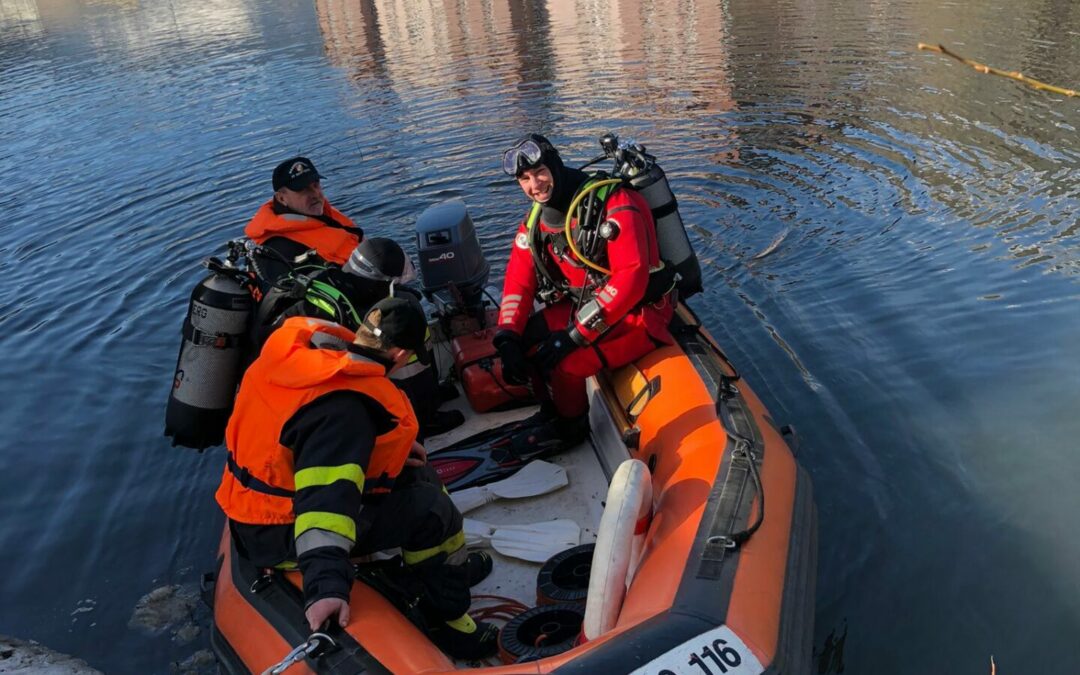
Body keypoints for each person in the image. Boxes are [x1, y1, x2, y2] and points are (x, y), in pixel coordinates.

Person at [214, 296, 498, 659]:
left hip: (262, 505)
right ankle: (449, 620)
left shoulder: (303, 361)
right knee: (431, 512)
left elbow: (299, 444)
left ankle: (441, 575)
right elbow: (324, 503)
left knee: (420, 475)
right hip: (279, 529)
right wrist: (325, 586)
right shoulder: (344, 410)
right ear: (399, 355)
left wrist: (388, 452)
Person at [493, 134, 676, 448]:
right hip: (589, 304)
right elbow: (518, 284)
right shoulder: (537, 219)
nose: (534, 185)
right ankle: (551, 410)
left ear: (555, 166)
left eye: (539, 172)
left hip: (639, 313)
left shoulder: (615, 202)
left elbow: (630, 280)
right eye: (524, 179)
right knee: (527, 340)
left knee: (568, 363)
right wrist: (507, 337)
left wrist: (575, 335)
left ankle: (571, 428)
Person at [251, 237, 464, 439]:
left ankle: (429, 396)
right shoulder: (337, 308)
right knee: (396, 340)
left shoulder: (343, 284)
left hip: (282, 369)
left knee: (406, 312)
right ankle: (423, 417)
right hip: (308, 390)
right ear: (380, 282)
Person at [244, 156, 364, 291]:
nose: (315, 194)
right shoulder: (276, 248)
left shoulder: (326, 215)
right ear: (281, 198)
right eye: (302, 189)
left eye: (316, 184)